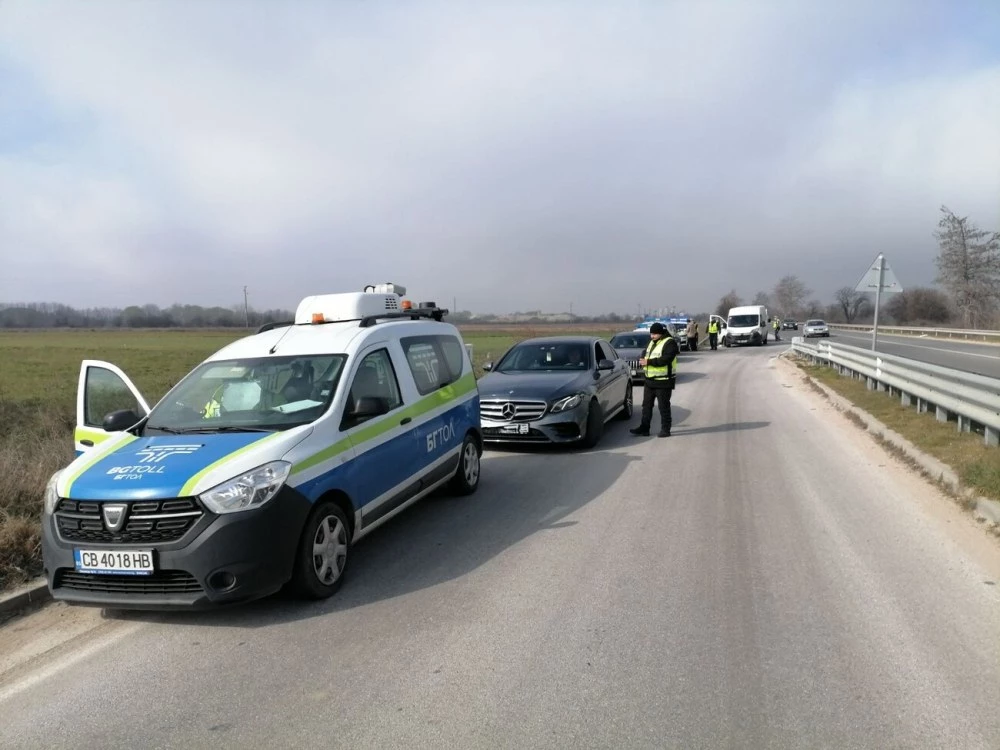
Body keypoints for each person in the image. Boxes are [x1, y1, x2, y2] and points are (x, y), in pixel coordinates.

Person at [630, 322, 679, 438]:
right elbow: (646, 352)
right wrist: (642, 358)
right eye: (651, 333)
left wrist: (649, 362)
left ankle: (665, 430)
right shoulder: (652, 342)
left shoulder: (670, 343)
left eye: (654, 334)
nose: (652, 336)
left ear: (661, 333)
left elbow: (666, 359)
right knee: (646, 406)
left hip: (664, 381)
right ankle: (644, 428)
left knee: (663, 407)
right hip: (649, 381)